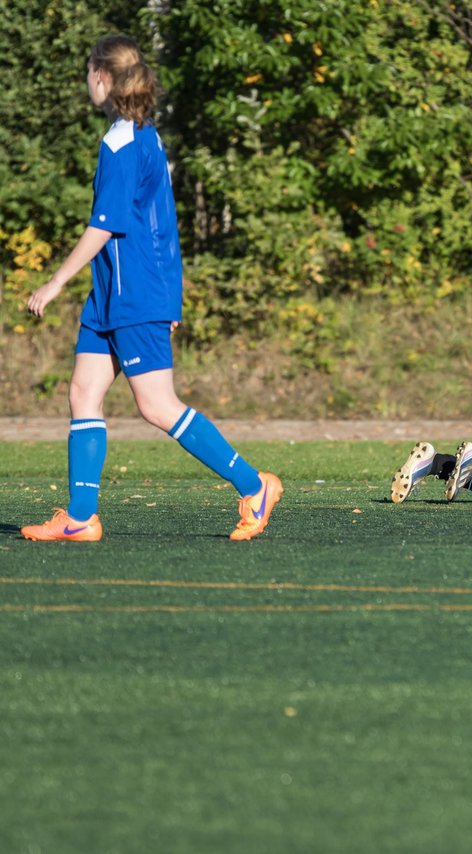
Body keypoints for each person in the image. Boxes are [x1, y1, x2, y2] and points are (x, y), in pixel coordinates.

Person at [20, 35, 283, 542]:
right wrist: (173, 293)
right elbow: (163, 223)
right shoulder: (142, 133)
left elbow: (105, 226)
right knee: (83, 392)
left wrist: (54, 283)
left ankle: (255, 487)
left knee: (157, 406)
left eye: (86, 71)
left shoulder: (122, 142)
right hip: (113, 293)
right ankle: (80, 517)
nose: (85, 80)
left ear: (102, 76)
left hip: (133, 292)